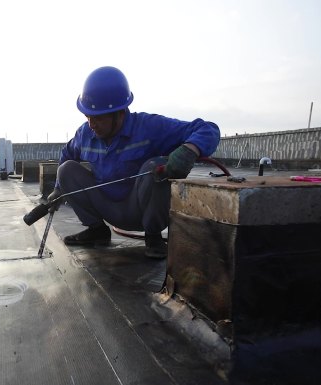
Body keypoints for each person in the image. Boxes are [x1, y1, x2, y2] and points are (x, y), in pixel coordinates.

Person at [48, 66, 220, 258]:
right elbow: (67, 153)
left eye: (98, 118)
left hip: (139, 210)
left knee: (154, 167)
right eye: (88, 117)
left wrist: (190, 149)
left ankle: (153, 237)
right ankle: (97, 230)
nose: (92, 124)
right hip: (106, 205)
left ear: (120, 113)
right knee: (66, 170)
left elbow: (208, 129)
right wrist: (58, 188)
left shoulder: (149, 127)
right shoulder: (85, 134)